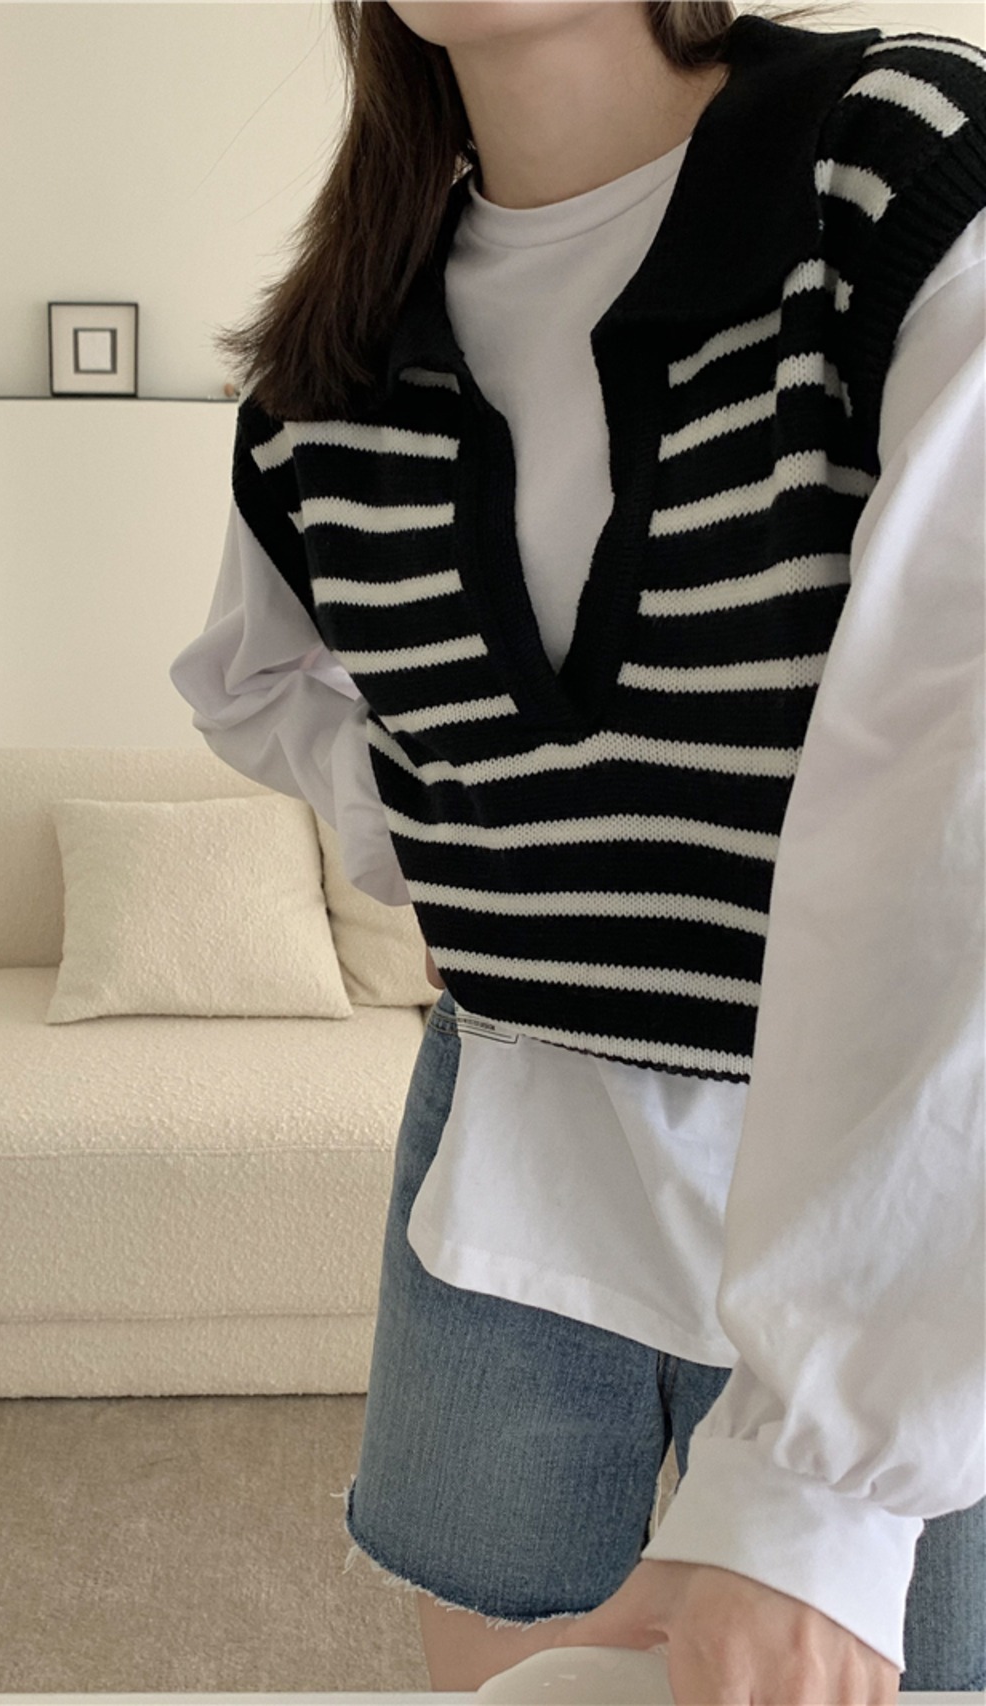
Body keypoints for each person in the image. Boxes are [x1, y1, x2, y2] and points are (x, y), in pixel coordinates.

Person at [170, 3, 986, 1699]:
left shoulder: (892, 170)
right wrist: (469, 851)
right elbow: (250, 681)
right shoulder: (339, 352)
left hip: (913, 1210)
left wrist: (826, 1491)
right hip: (516, 1166)